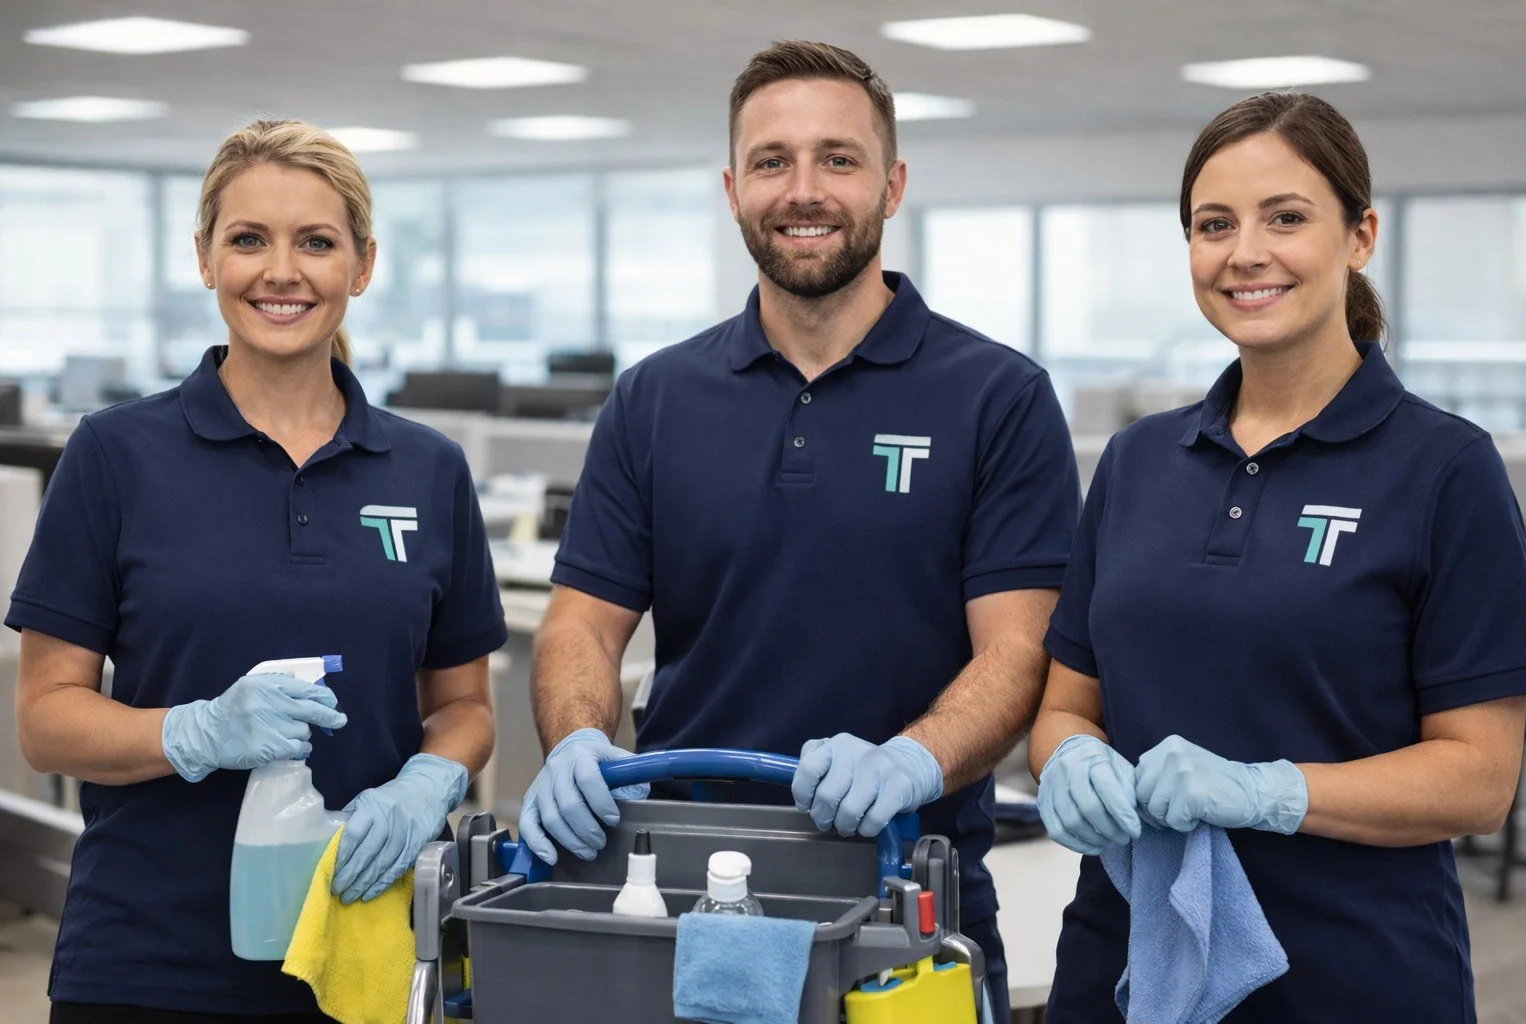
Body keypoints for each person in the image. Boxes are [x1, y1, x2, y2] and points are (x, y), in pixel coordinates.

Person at [517, 40, 1080, 1019]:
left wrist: (912, 757)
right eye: (773, 161)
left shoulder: (998, 397)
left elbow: (1022, 648)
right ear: (734, 188)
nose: (803, 189)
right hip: (678, 888)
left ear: (892, 184)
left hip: (908, 886)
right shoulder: (655, 399)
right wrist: (574, 737)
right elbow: (581, 626)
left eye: (839, 158)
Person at [1029, 91, 1526, 1022]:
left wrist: (1268, 792)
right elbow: (1068, 703)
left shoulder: (1443, 469)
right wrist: (1068, 759)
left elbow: (1480, 775)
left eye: (1287, 217)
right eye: (1212, 224)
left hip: (1350, 973)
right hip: (1126, 956)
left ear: (1360, 236)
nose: (1244, 253)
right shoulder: (1139, 461)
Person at [9, 120, 506, 1023]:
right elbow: (46, 721)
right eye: (248, 239)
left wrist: (425, 782)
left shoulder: (427, 470)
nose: (282, 272)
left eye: (316, 242)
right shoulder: (115, 456)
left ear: (361, 265)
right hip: (146, 962)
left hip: (363, 952)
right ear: (205, 258)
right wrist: (194, 732)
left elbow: (465, 706)